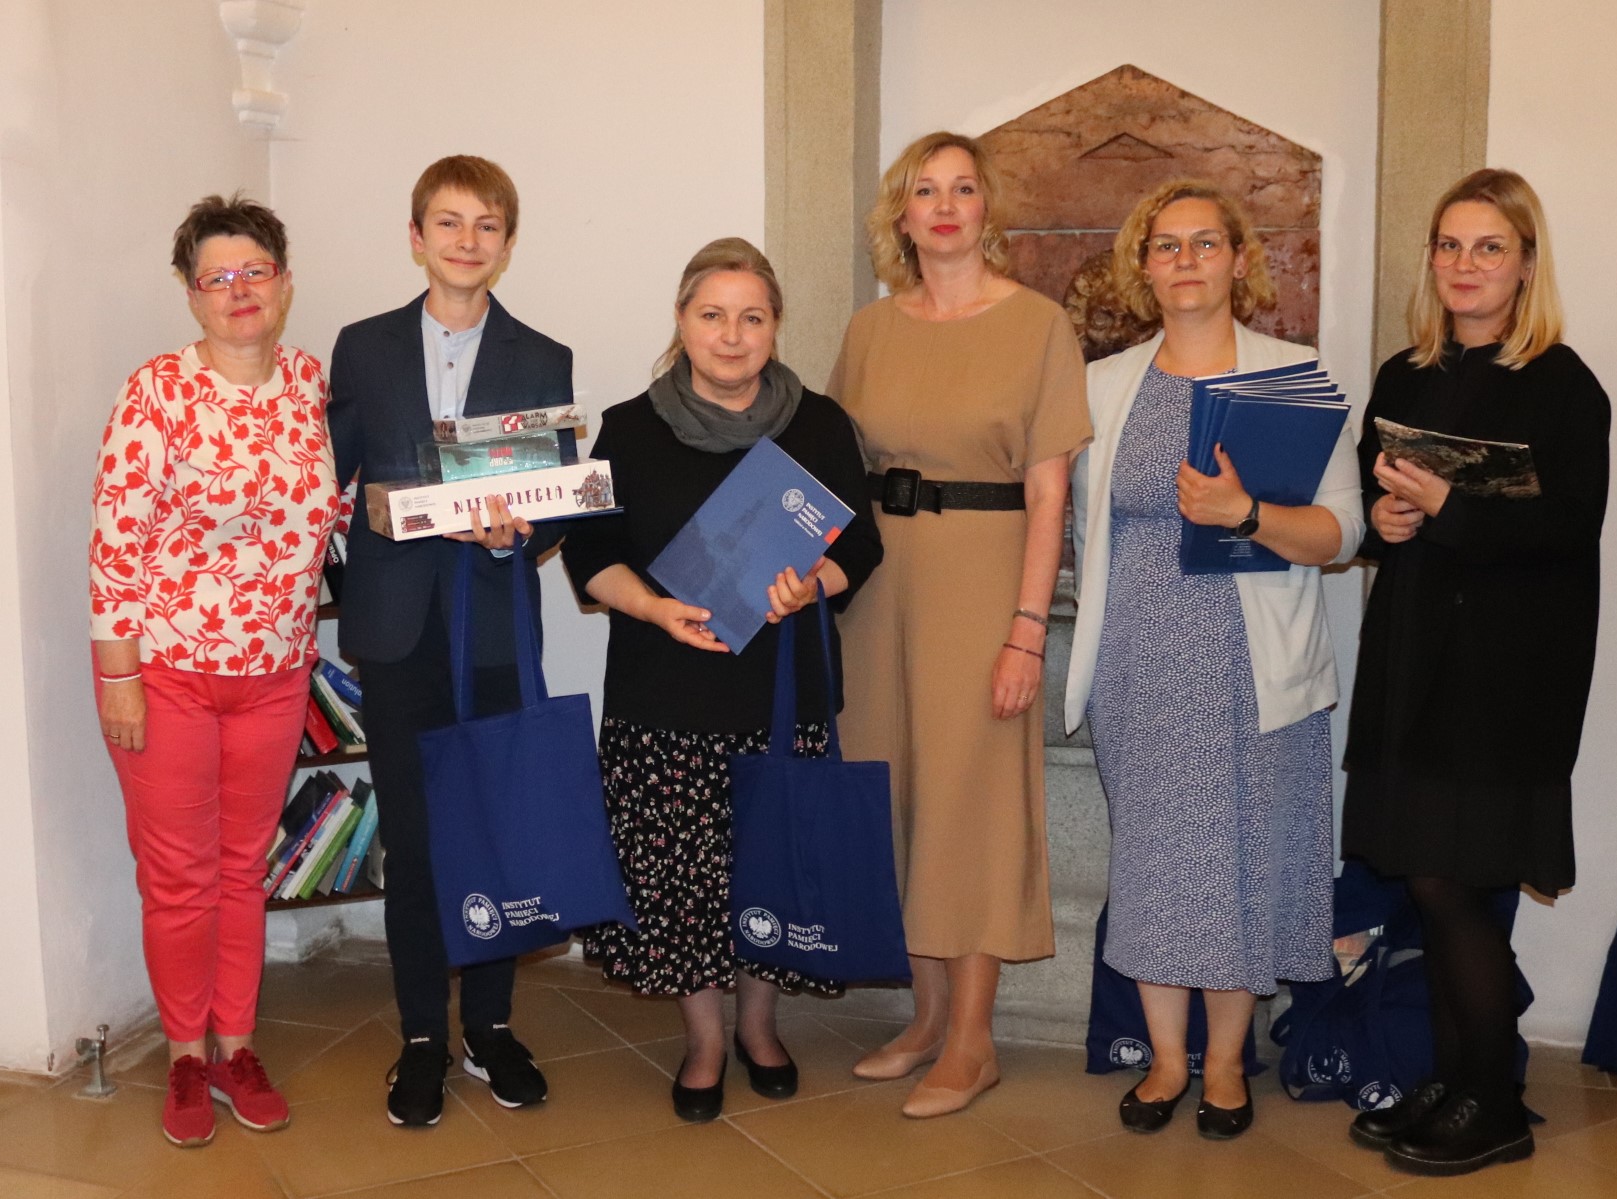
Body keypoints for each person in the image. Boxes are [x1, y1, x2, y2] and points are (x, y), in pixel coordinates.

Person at [1062, 179, 1364, 1139]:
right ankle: (1164, 1060)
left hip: (1252, 663)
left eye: (1204, 242)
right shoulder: (1103, 385)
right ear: (1142, 267)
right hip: (1139, 662)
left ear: (1239, 259)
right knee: (1154, 863)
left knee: (1244, 860)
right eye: (1166, 245)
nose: (1185, 260)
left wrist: (1246, 513)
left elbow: (1343, 533)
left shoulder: (1292, 374)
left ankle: (1227, 1063)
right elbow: (1082, 533)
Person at [562, 237, 882, 1122]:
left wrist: (812, 584)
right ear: (681, 320)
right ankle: (703, 1038)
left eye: (751, 317)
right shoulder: (629, 427)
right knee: (681, 882)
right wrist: (652, 607)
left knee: (767, 867)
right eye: (712, 315)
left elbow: (859, 543)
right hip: (665, 692)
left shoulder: (818, 424)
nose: (732, 335)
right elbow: (589, 550)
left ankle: (758, 1026)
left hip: (780, 692)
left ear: (775, 326)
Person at [1339, 168, 1608, 1176]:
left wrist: (1450, 509)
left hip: (1505, 678)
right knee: (1426, 877)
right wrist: (1385, 519)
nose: (1464, 264)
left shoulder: (1562, 384)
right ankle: (1454, 1083)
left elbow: (1565, 530)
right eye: (1449, 245)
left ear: (1524, 263)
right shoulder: (1404, 374)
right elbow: (1376, 501)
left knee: (1449, 882)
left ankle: (1492, 1103)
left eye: (1487, 247)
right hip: (1413, 659)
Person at [828, 132, 1091, 1118]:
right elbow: (832, 468)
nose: (944, 206)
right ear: (899, 215)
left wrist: (1026, 629)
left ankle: (974, 1041)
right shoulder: (868, 330)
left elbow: (1050, 491)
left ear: (987, 209)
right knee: (895, 792)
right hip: (877, 588)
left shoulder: (1037, 326)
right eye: (924, 190)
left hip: (983, 580)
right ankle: (926, 1017)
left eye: (963, 189)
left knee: (969, 803)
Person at [327, 155, 571, 1127]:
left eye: (486, 225)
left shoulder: (542, 355)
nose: (467, 241)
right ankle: (424, 1034)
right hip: (398, 631)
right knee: (418, 840)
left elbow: (555, 501)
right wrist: (368, 516)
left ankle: (493, 1028)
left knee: (496, 829)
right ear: (415, 236)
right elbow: (332, 479)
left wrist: (522, 532)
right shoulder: (362, 346)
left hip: (494, 629)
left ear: (506, 244)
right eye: (448, 222)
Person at [88, 194, 334, 1146]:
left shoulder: (307, 384)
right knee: (180, 876)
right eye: (216, 277)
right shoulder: (157, 391)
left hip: (275, 671)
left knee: (242, 868)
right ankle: (187, 1057)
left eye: (254, 271)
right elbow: (116, 542)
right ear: (191, 295)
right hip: (168, 673)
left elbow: (330, 510)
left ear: (284, 282)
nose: (238, 290)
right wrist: (118, 676)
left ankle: (237, 1046)